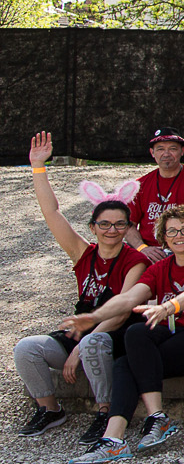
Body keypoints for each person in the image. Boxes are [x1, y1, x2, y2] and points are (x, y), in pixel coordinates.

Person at [66, 205, 184, 464]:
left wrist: (168, 306)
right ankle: (116, 438)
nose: (179, 235)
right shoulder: (160, 268)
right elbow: (129, 297)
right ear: (163, 237)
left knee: (130, 356)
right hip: (171, 336)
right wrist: (95, 317)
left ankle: (153, 420)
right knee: (131, 343)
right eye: (171, 231)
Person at [19, 132, 145, 443]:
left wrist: (79, 346)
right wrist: (38, 167)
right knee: (26, 348)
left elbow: (124, 309)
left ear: (129, 228)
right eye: (104, 224)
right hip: (79, 331)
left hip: (111, 335)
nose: (111, 230)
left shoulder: (135, 262)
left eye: (119, 224)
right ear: (93, 227)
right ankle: (50, 410)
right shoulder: (83, 253)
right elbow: (52, 213)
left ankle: (105, 412)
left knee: (91, 344)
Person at [128, 126, 184, 257]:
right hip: (148, 251)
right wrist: (142, 248)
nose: (166, 154)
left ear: (182, 151)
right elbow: (128, 225)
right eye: (160, 149)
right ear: (152, 153)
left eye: (172, 149)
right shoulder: (140, 184)